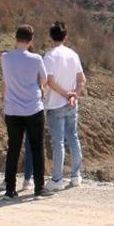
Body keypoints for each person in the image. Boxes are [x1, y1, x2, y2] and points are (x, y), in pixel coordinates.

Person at [1, 25, 50, 198]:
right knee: (37, 148)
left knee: (13, 148)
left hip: (12, 109)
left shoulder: (5, 57)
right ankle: (39, 188)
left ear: (16, 38)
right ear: (31, 40)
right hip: (33, 108)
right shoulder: (36, 59)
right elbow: (44, 79)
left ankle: (10, 189)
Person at [42, 21, 86, 191]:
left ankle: (57, 179)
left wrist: (64, 94)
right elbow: (82, 80)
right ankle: (76, 176)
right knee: (73, 137)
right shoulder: (73, 55)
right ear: (65, 36)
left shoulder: (50, 56)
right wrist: (74, 94)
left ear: (50, 36)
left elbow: (49, 81)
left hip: (55, 104)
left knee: (58, 141)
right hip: (71, 104)